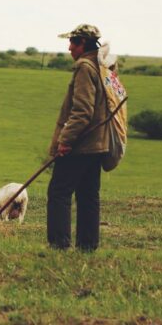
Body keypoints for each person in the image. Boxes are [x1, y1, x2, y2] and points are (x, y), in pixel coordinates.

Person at [47, 24, 109, 251]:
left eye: (73, 42)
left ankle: (59, 244)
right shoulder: (102, 65)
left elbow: (82, 111)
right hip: (98, 144)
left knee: (58, 192)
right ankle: (87, 246)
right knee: (88, 195)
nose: (69, 47)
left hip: (80, 145)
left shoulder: (84, 67)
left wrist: (65, 140)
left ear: (83, 43)